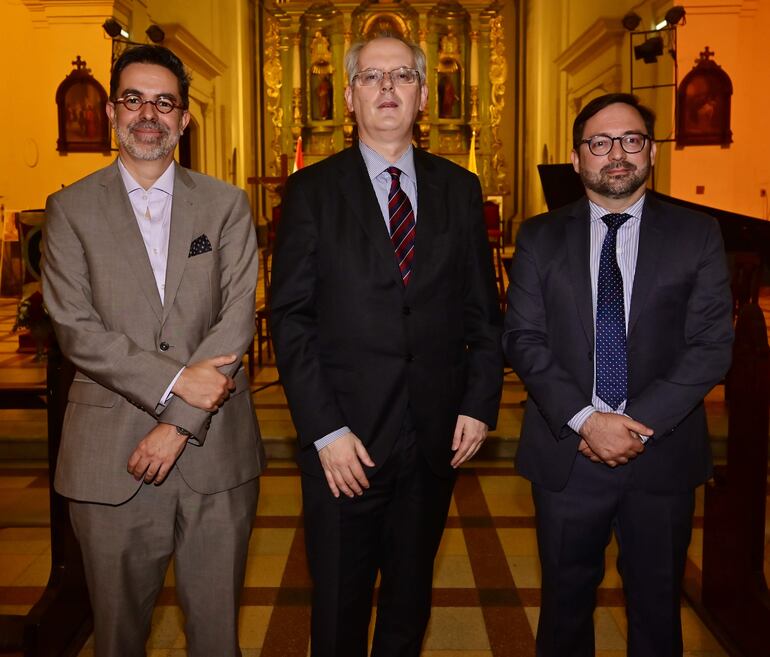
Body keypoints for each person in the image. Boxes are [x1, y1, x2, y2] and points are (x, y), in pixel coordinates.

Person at [270, 33, 503, 657]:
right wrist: (324, 431)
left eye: (401, 76)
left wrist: (479, 404)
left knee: (408, 602)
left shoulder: (459, 187)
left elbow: (484, 313)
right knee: (340, 608)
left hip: (434, 439)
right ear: (348, 96)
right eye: (372, 78)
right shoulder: (313, 190)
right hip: (345, 443)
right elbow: (290, 317)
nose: (387, 89)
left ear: (424, 94)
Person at [41, 45, 264, 657]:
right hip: (108, 461)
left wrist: (176, 423)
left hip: (216, 457)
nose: (149, 114)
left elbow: (236, 316)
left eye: (164, 102)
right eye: (134, 99)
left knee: (218, 640)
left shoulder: (225, 206)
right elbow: (74, 328)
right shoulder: (69, 210)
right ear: (112, 111)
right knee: (118, 640)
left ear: (184, 120)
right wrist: (173, 386)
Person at [503, 92, 733, 656]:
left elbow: (710, 346)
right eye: (599, 143)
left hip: (662, 454)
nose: (616, 154)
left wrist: (632, 424)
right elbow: (523, 340)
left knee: (658, 611)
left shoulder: (696, 235)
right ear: (578, 158)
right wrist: (587, 421)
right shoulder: (539, 237)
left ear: (651, 152)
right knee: (563, 610)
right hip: (567, 455)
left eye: (630, 140)